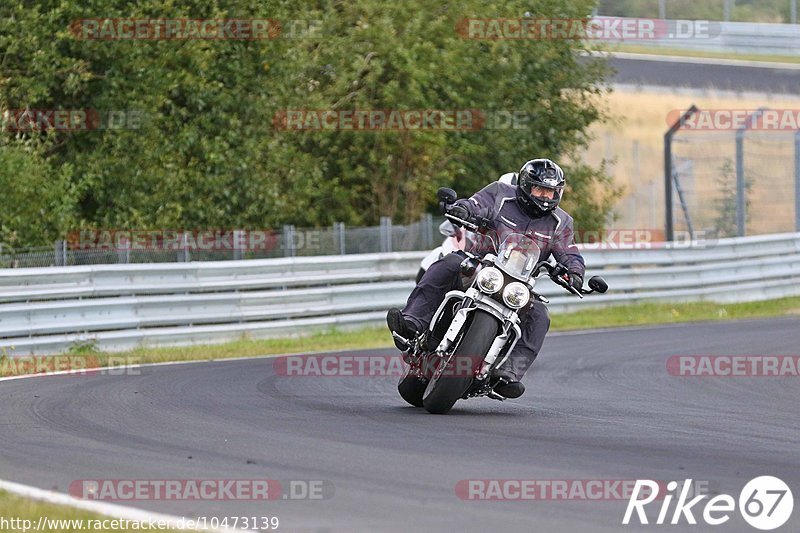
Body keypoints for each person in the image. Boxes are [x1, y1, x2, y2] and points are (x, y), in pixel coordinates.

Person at [387, 158, 585, 399]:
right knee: (449, 263)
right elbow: (476, 204)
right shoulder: (501, 194)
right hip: (482, 266)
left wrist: (574, 273)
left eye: (551, 191)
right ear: (525, 186)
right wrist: (463, 209)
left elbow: (569, 252)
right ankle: (412, 322)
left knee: (539, 314)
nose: (545, 196)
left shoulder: (560, 222)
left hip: (518, 285)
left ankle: (509, 372)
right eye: (539, 189)